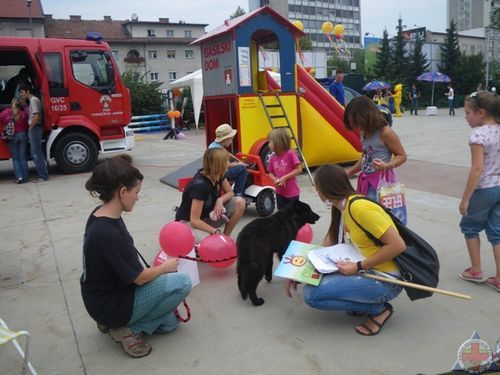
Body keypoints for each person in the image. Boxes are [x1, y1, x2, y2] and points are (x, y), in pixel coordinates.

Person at [81, 155, 192, 358]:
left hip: (103, 298)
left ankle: (122, 324)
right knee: (183, 282)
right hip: (111, 304)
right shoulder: (108, 234)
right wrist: (165, 267)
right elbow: (140, 278)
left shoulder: (101, 214)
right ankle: (123, 329)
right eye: (136, 192)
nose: (138, 197)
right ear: (122, 192)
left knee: (170, 324)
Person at [284, 164, 406, 336]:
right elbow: (331, 239)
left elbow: (398, 245)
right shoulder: (341, 207)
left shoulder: (359, 208)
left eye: (317, 189)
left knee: (311, 295)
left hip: (386, 280)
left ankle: (378, 308)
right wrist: (300, 271)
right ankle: (358, 298)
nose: (316, 193)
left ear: (326, 190)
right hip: (367, 269)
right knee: (314, 281)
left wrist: (358, 267)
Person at [457, 91, 500, 293]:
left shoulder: (478, 135)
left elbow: (477, 169)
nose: (465, 117)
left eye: (467, 113)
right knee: (497, 233)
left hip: (485, 189)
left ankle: (476, 271)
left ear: (480, 112)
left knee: (470, 227)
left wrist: (465, 199)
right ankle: (499, 278)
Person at [344, 96, 407, 222]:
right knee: (367, 217)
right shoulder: (363, 131)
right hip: (366, 182)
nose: (356, 127)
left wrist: (386, 166)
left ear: (365, 117)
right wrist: (349, 172)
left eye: (356, 122)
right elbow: (366, 157)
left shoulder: (385, 132)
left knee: (384, 219)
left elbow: (402, 156)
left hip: (382, 184)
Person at [175, 147, 246, 241]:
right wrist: (216, 231)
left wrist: (219, 200)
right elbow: (195, 220)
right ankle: (217, 238)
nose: (228, 164)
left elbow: (230, 192)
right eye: (226, 162)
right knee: (209, 244)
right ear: (218, 165)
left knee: (240, 202)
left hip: (207, 216)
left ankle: (226, 238)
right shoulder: (200, 186)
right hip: (189, 223)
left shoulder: (218, 175)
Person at [18, 83, 49, 182]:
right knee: (36, 152)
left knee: (36, 153)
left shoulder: (33, 100)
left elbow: (36, 116)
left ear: (27, 91)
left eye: (22, 92)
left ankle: (43, 176)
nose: (20, 94)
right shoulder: (32, 100)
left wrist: (30, 128)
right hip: (35, 128)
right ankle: (43, 174)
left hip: (35, 128)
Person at [208, 123, 248, 198]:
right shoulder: (220, 151)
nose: (232, 142)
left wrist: (236, 162)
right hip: (219, 175)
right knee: (243, 169)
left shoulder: (213, 145)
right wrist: (239, 164)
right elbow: (227, 165)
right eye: (231, 139)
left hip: (212, 173)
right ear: (225, 139)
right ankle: (238, 193)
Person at [267, 127, 302, 210]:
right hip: (279, 192)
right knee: (282, 214)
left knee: (293, 215)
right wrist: (275, 179)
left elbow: (299, 169)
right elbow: (270, 173)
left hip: (292, 193)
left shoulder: (290, 154)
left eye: (270, 142)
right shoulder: (272, 158)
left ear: (278, 142)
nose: (268, 144)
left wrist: (285, 178)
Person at [0, 99, 29, 183]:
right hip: (22, 135)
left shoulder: (6, 112)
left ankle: (19, 177)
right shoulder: (23, 114)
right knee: (23, 157)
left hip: (11, 137)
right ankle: (26, 177)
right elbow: (26, 124)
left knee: (15, 158)